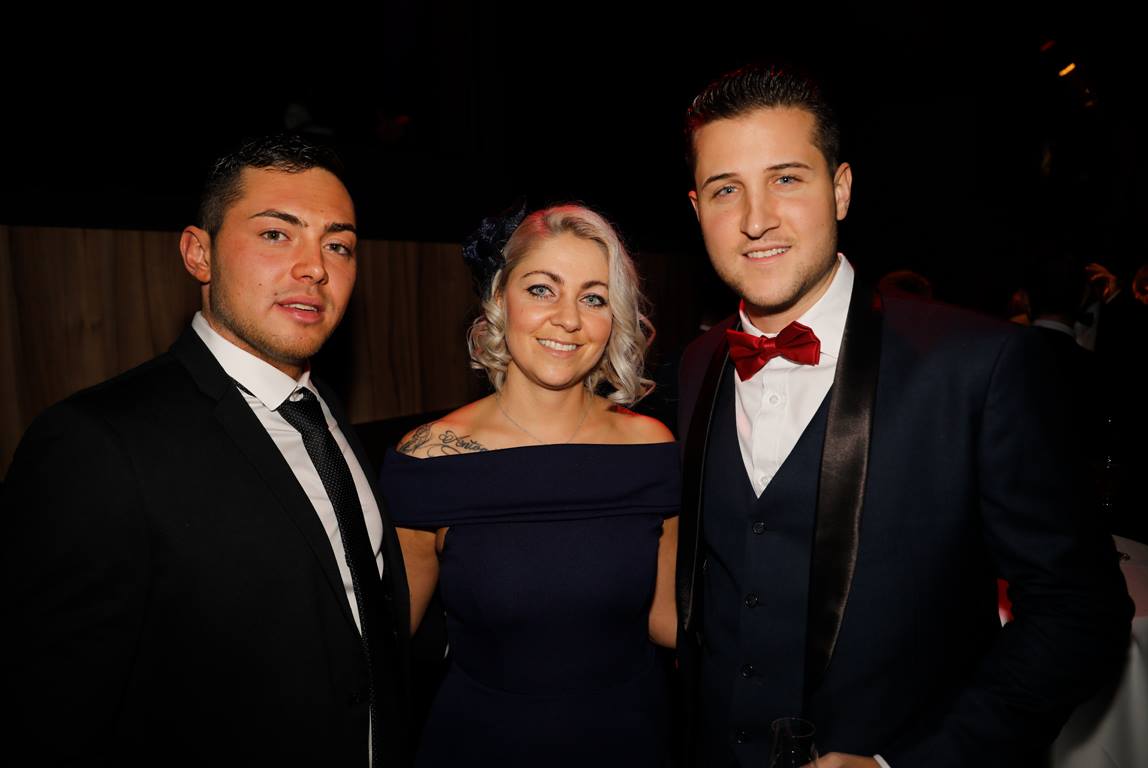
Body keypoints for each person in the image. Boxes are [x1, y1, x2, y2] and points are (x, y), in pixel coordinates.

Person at [674, 62, 1134, 768]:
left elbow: (1081, 613)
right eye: (725, 188)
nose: (756, 218)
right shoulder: (697, 362)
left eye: (787, 178)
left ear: (841, 189)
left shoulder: (978, 366)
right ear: (697, 206)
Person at [1, 133, 411, 767]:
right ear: (200, 253)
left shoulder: (324, 414)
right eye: (276, 234)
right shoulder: (95, 443)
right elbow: (46, 712)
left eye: (338, 245)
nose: (314, 267)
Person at [380, 203, 680, 767]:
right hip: (483, 744)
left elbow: (668, 618)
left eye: (593, 298)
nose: (568, 319)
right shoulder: (430, 459)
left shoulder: (650, 448)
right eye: (542, 289)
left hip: (631, 738)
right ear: (499, 300)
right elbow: (382, 643)